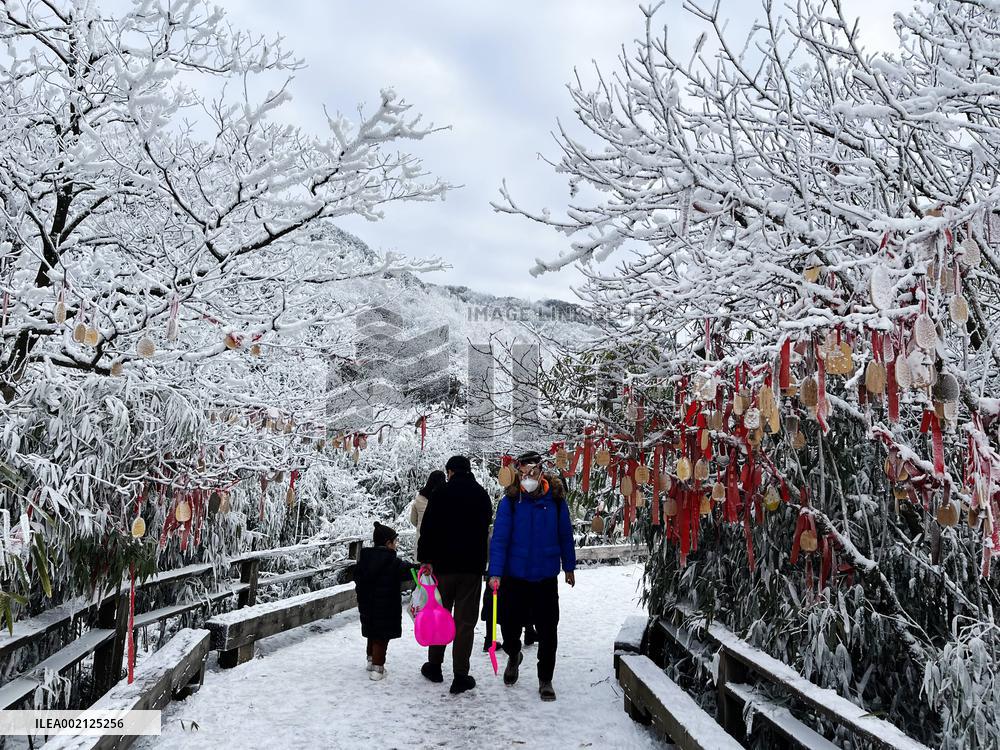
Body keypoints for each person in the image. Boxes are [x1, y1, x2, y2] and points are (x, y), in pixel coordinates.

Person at [488, 450, 576, 702]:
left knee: (548, 629)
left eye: (532, 473)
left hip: (545, 575)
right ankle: (514, 655)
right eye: (523, 473)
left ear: (541, 471)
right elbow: (500, 540)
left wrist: (568, 566)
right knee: (509, 624)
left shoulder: (556, 501)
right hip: (515, 576)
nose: (528, 478)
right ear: (517, 473)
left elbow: (564, 534)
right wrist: (495, 573)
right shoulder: (510, 502)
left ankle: (545, 678)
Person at [416, 455, 492, 695]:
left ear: (449, 472)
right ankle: (460, 674)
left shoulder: (439, 494)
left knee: (439, 615)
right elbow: (486, 526)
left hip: (442, 568)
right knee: (465, 622)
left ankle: (435, 666)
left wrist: (425, 560)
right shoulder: (481, 495)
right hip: (470, 569)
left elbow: (427, 529)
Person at [355, 522, 417, 681]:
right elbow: (408, 570)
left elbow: (357, 579)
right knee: (381, 638)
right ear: (388, 543)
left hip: (368, 606)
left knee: (371, 632)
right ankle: (378, 668)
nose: (396, 545)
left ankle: (370, 660)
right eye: (394, 542)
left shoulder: (364, 560)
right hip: (386, 608)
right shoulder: (392, 562)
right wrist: (419, 568)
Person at [409, 470, 446, 551]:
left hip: (422, 541)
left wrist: (421, 525)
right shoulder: (446, 498)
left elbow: (413, 520)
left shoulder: (419, 498)